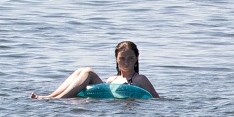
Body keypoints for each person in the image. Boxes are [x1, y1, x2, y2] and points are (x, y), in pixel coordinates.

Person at [31, 41, 159, 99]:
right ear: (116, 59)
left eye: (130, 58)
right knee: (82, 70)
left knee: (88, 72)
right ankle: (52, 95)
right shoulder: (112, 79)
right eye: (122, 58)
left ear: (136, 58)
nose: (126, 62)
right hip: (109, 98)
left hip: (119, 98)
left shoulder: (140, 79)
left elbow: (157, 100)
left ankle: (55, 99)